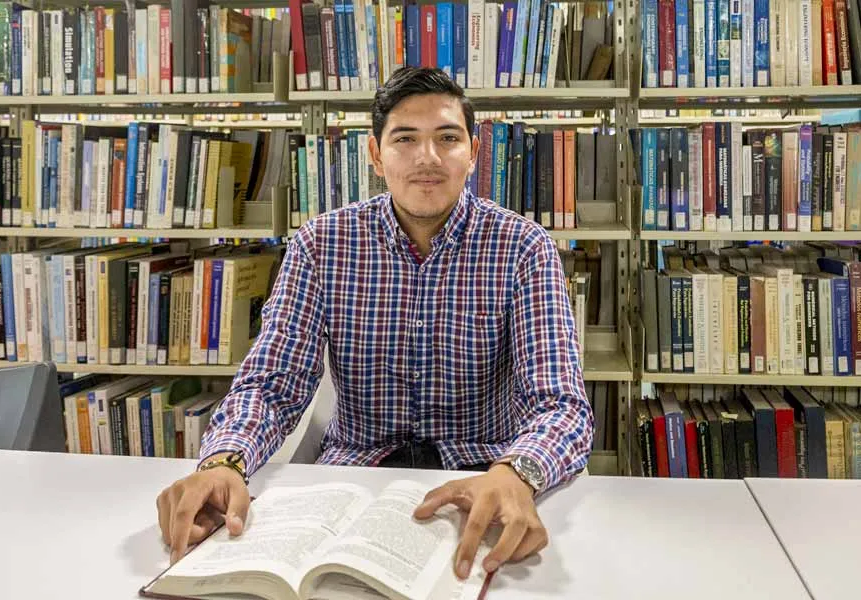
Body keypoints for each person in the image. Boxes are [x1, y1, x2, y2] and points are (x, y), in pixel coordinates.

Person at [156, 66, 593, 581]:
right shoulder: (322, 245)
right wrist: (223, 462)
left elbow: (560, 405)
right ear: (375, 154)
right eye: (405, 139)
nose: (427, 158)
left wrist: (518, 470)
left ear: (473, 153)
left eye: (447, 138)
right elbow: (272, 385)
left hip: (481, 482)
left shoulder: (524, 248)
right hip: (354, 483)